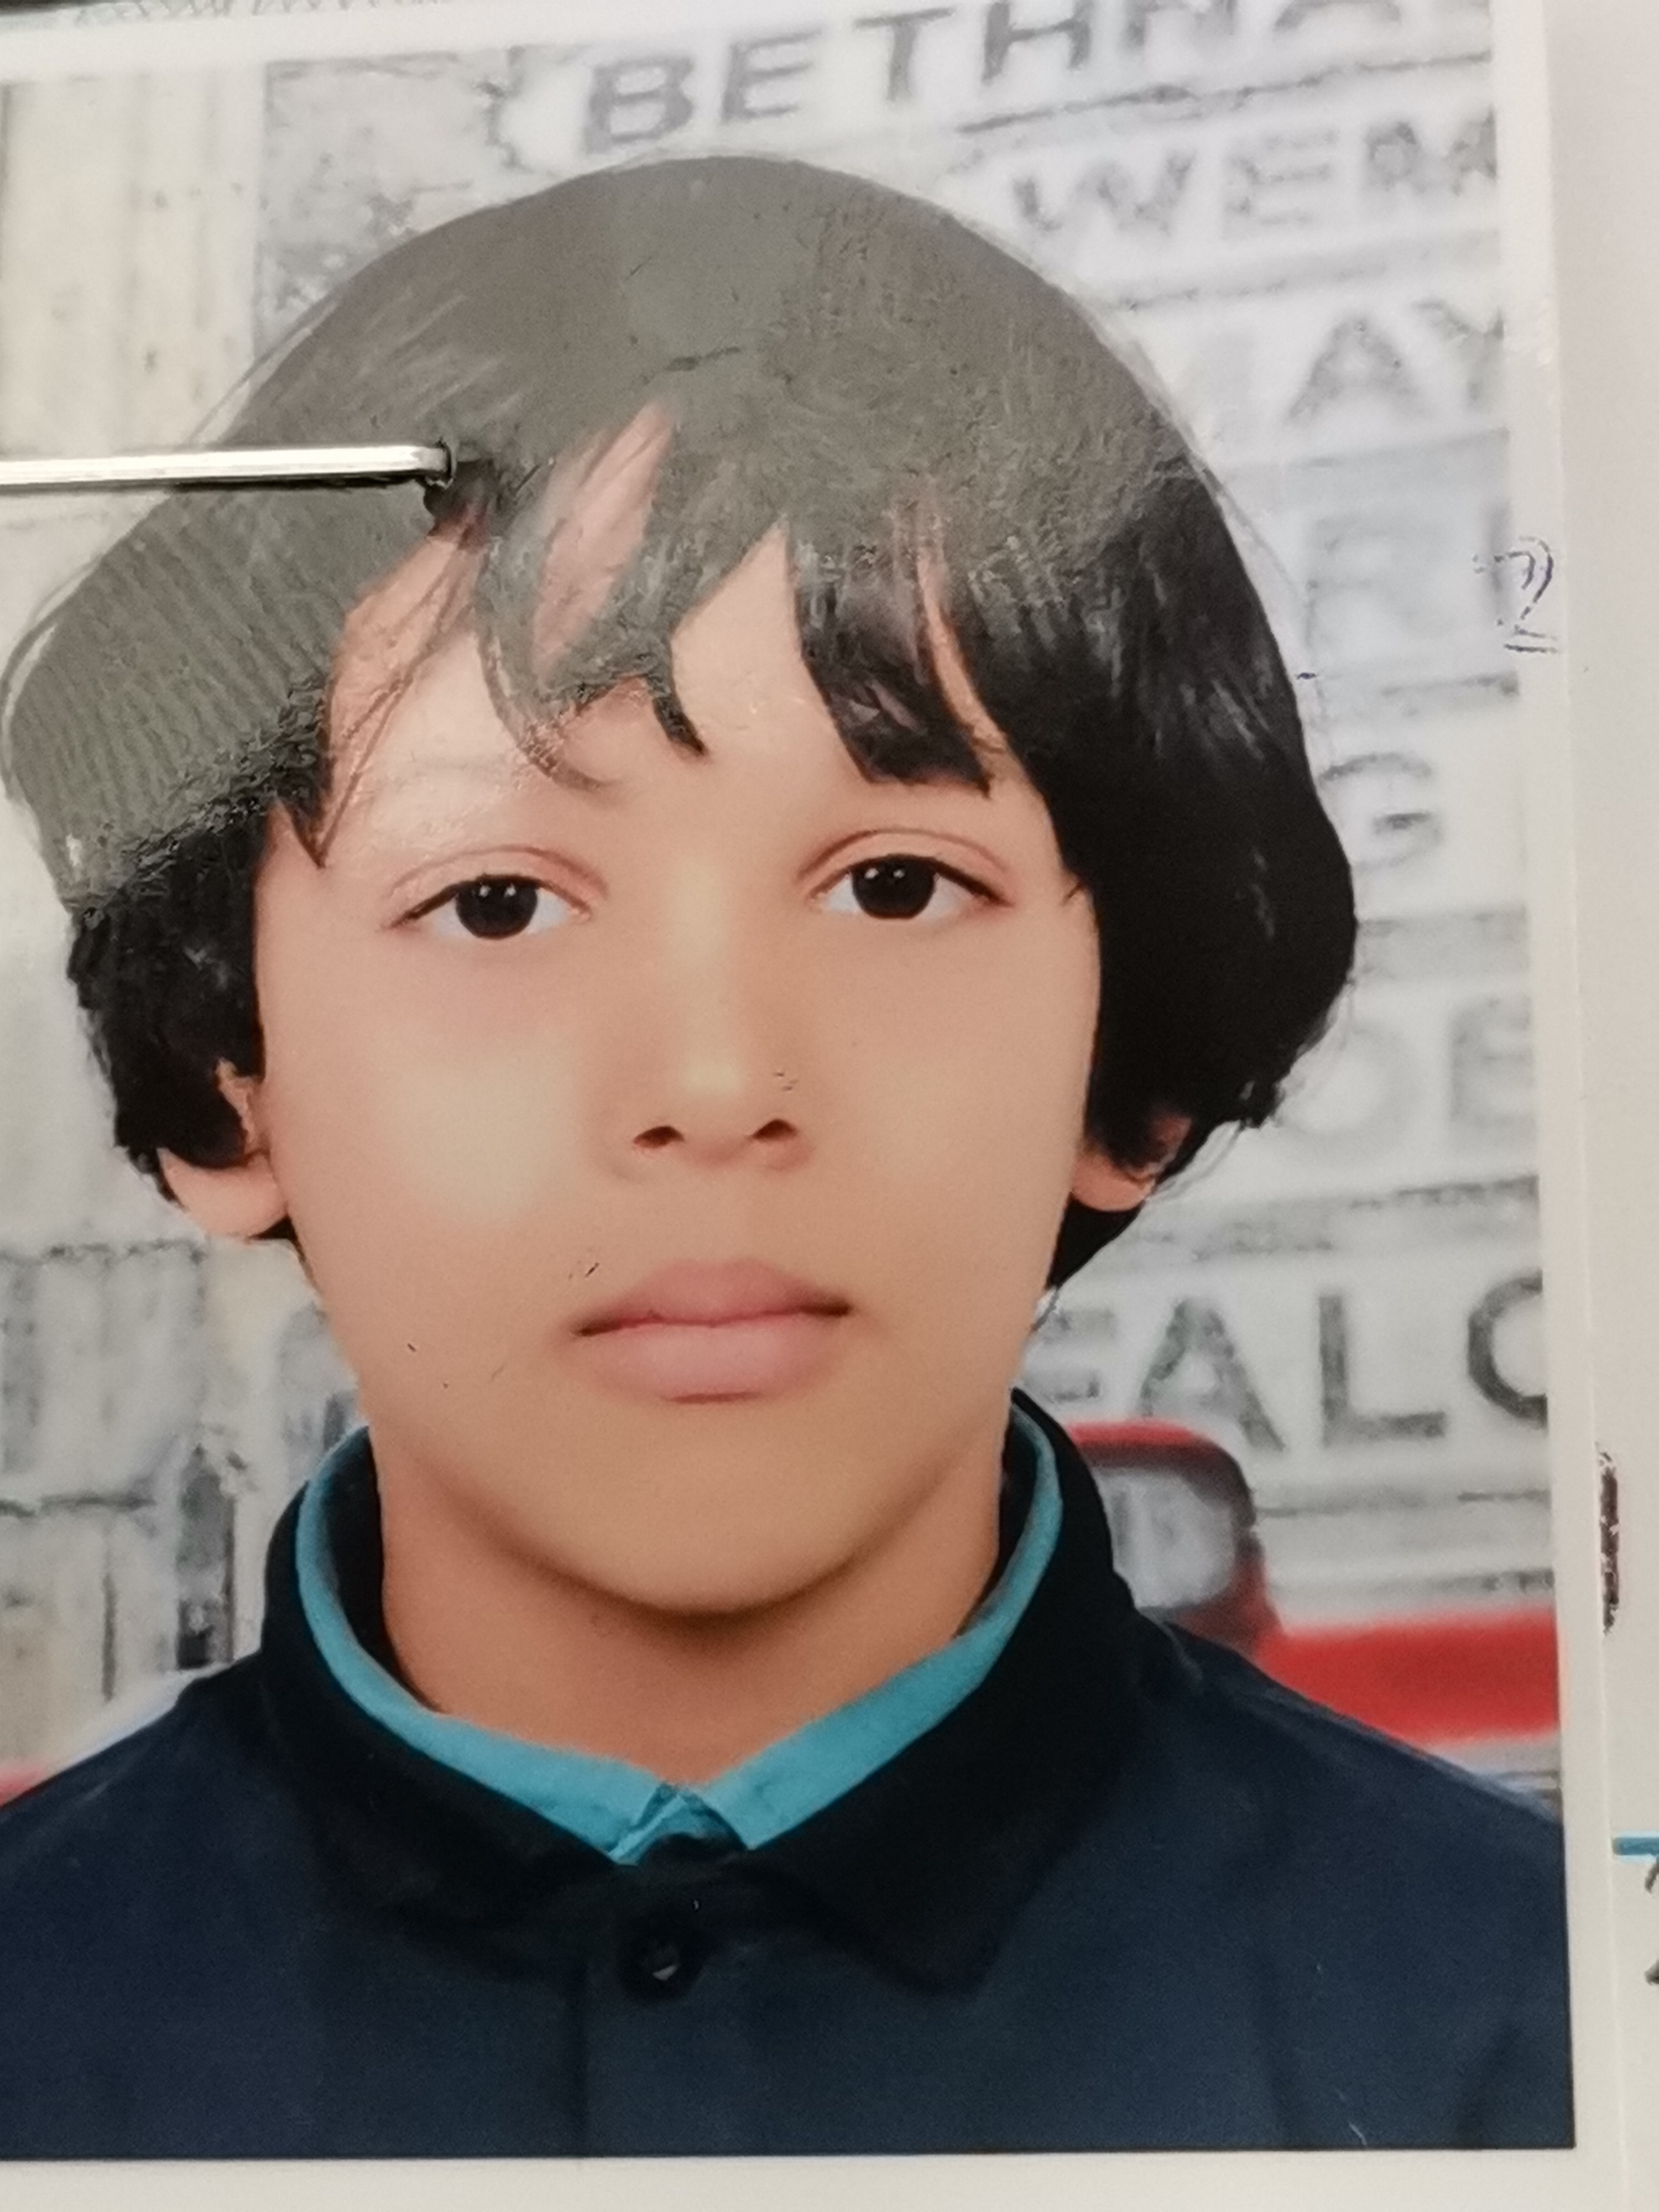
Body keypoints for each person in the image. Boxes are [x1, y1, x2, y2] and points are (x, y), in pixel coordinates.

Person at [0, 154, 1569, 2157]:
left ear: (1132, 1068)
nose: (720, 1080)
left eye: (896, 884)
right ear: (233, 1075)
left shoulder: (1540, 2035)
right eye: (496, 904)